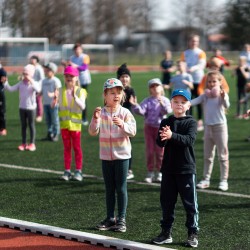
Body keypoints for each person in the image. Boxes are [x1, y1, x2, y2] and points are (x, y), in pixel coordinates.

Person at [152, 89, 199, 248]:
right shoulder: (166, 121)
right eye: (176, 101)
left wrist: (172, 136)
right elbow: (160, 143)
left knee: (189, 204)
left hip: (186, 169)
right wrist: (163, 136)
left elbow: (189, 140)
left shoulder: (191, 122)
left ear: (188, 105)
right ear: (170, 103)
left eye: (183, 102)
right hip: (168, 169)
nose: (179, 104)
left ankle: (192, 233)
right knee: (167, 202)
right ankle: (166, 233)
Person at [89, 78, 136, 233]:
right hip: (105, 156)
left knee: (121, 188)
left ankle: (121, 219)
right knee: (109, 188)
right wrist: (95, 120)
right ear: (105, 95)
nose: (116, 95)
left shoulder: (125, 112)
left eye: (118, 92)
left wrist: (122, 125)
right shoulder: (100, 113)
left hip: (122, 156)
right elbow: (92, 131)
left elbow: (133, 131)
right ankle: (110, 218)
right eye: (112, 93)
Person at [192, 71, 230, 191]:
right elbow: (194, 101)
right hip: (208, 128)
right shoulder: (205, 95)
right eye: (209, 81)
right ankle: (206, 179)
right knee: (208, 156)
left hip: (220, 128)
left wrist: (224, 97)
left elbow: (227, 105)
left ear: (220, 82)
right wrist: (184, 104)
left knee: (223, 156)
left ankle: (224, 180)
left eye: (214, 81)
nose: (211, 83)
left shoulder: (222, 94)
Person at [130, 78, 172, 183]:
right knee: (149, 151)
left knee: (160, 152)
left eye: (157, 86)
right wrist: (135, 105)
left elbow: (167, 111)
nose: (155, 88)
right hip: (149, 128)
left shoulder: (165, 100)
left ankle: (160, 172)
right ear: (150, 90)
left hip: (161, 129)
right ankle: (150, 172)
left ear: (161, 87)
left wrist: (162, 104)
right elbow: (141, 111)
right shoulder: (147, 100)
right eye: (152, 87)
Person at [52, 65, 87, 181]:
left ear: (76, 78)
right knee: (67, 148)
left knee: (77, 148)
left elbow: (83, 106)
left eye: (71, 76)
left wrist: (75, 98)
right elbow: (55, 106)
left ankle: (78, 171)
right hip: (64, 125)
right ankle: (67, 171)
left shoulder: (81, 91)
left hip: (76, 126)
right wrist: (54, 101)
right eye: (66, 75)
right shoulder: (60, 90)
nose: (69, 78)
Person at [4, 64, 40, 151]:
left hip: (31, 108)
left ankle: (32, 143)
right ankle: (24, 143)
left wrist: (31, 80)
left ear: (31, 74)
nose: (25, 76)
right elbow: (11, 89)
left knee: (31, 125)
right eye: (24, 74)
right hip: (22, 108)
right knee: (23, 126)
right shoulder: (21, 84)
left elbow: (38, 90)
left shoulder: (34, 83)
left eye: (27, 74)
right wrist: (5, 82)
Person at [180, 34, 206, 131]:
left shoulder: (201, 52)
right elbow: (182, 63)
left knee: (199, 101)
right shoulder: (185, 53)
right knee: (187, 101)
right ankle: (188, 121)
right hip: (187, 80)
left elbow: (202, 64)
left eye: (196, 41)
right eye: (192, 41)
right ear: (189, 42)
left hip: (198, 80)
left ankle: (200, 121)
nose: (194, 42)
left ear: (198, 42)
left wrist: (193, 68)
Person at [62, 43, 91, 126]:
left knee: (83, 99)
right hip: (74, 81)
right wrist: (65, 65)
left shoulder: (85, 57)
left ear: (81, 50)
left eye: (79, 49)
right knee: (72, 98)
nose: (77, 51)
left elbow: (84, 68)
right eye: (75, 49)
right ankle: (73, 116)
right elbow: (68, 69)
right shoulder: (72, 58)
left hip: (84, 80)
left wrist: (74, 65)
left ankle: (84, 118)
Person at [117, 63, 136, 180]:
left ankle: (129, 169)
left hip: (127, 121)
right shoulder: (115, 90)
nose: (124, 79)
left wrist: (134, 103)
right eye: (122, 76)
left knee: (127, 146)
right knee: (116, 144)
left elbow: (133, 104)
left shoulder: (130, 90)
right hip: (116, 120)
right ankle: (118, 168)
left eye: (126, 76)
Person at [40, 62, 62, 142]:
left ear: (53, 71)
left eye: (47, 70)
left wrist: (52, 94)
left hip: (54, 104)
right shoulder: (44, 81)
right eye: (45, 70)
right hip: (45, 103)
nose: (45, 71)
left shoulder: (56, 80)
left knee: (55, 120)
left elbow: (59, 91)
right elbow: (42, 90)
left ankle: (56, 134)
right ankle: (49, 134)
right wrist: (39, 93)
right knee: (48, 120)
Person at [30, 55, 45, 122]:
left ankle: (39, 115)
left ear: (36, 60)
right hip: (31, 87)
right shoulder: (31, 67)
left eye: (33, 59)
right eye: (31, 59)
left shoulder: (39, 68)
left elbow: (42, 79)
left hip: (38, 87)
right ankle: (34, 114)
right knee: (32, 101)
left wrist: (37, 85)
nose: (32, 60)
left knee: (38, 101)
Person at [0, 68, 7, 136]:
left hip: (0, 96)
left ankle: (3, 128)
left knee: (1, 112)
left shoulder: (2, 70)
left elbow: (4, 79)